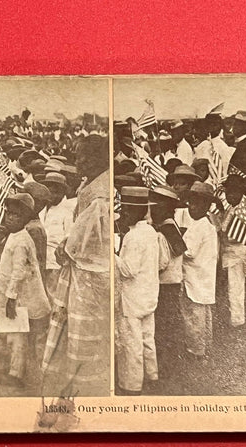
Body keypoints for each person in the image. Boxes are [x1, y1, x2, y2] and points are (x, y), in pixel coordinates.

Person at [43, 134, 110, 397]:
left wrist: (65, 247)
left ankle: (86, 383)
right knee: (75, 325)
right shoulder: (90, 184)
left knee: (87, 328)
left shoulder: (100, 192)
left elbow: (85, 236)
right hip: (82, 267)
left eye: (83, 156)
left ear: (97, 159)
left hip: (91, 271)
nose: (78, 160)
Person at [0, 193, 51, 387]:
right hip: (14, 291)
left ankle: (16, 373)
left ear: (24, 218)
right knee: (14, 333)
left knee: (18, 335)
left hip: (20, 295)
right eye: (8, 213)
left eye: (15, 215)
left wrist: (11, 298)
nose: (9, 217)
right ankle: (16, 368)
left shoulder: (22, 240)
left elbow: (19, 272)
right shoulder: (15, 235)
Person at [115, 187, 166, 394]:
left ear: (137, 211)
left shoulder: (134, 236)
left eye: (126, 210)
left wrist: (113, 255)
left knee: (132, 342)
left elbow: (128, 270)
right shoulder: (151, 232)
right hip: (148, 294)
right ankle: (152, 374)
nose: (124, 214)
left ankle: (132, 384)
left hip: (133, 297)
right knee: (147, 337)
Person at [180, 182, 218, 358]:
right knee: (203, 314)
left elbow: (189, 251)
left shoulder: (200, 226)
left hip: (195, 277)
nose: (192, 208)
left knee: (194, 315)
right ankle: (205, 346)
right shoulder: (207, 224)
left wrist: (176, 244)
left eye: (198, 204)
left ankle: (195, 349)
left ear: (207, 206)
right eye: (190, 203)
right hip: (204, 276)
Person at [150, 186, 186, 366]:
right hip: (170, 279)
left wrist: (160, 237)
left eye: (158, 205)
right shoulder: (166, 224)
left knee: (166, 318)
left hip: (168, 280)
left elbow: (179, 249)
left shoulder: (167, 226)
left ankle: (169, 355)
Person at [220, 174, 246, 327]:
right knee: (232, 286)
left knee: (236, 287)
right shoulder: (231, 208)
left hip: (238, 252)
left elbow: (237, 235)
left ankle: (237, 319)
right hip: (230, 252)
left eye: (234, 192)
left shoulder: (243, 210)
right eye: (228, 193)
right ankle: (233, 314)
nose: (230, 196)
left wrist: (222, 231)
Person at [39, 172, 76, 296]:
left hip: (54, 260)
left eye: (56, 192)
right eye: (50, 192)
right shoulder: (42, 209)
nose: (52, 196)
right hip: (39, 257)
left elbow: (69, 236)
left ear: (63, 193)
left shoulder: (67, 211)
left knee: (53, 292)